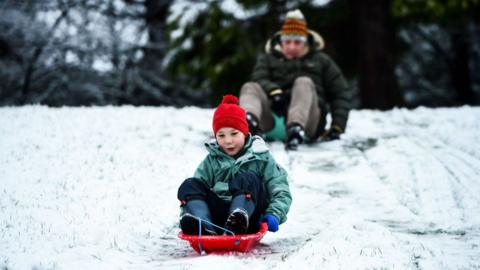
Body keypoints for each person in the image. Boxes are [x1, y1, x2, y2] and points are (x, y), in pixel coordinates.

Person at [177, 95, 292, 235]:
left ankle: (239, 219)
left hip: (251, 214)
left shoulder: (260, 156)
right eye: (221, 135)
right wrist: (188, 211)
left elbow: (280, 189)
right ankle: (202, 224)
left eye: (234, 134)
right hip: (220, 217)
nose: (228, 141)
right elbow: (196, 191)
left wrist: (274, 214)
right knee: (190, 184)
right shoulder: (212, 160)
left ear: (244, 133)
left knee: (248, 178)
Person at [239, 9, 351, 150]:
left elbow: (339, 93)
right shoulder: (268, 59)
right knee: (250, 86)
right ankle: (247, 123)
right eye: (288, 41)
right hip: (272, 120)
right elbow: (258, 77)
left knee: (303, 82)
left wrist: (337, 126)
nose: (292, 47)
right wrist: (274, 91)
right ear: (281, 41)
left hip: (309, 123)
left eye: (297, 42)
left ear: (305, 42)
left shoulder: (321, 61)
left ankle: (296, 129)